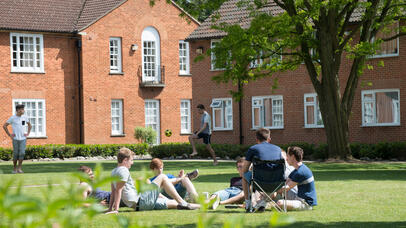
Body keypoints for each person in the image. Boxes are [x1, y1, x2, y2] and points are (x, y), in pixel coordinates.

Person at [106, 148, 200, 214]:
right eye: (131, 160)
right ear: (125, 160)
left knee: (173, 203)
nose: (132, 162)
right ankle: (181, 201)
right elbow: (118, 190)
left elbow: (113, 191)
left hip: (141, 205)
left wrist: (110, 209)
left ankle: (202, 206)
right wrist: (116, 210)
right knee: (162, 177)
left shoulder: (113, 171)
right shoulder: (123, 170)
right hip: (142, 202)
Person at [241, 128, 282, 212]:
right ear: (269, 139)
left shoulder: (253, 149)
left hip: (259, 181)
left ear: (257, 140)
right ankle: (261, 203)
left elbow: (244, 170)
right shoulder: (278, 149)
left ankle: (248, 204)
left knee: (244, 177)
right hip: (278, 182)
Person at [274, 146, 317, 211]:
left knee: (280, 203)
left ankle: (262, 203)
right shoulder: (296, 170)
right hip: (298, 198)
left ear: (293, 157)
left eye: (287, 156)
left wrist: (272, 190)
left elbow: (286, 188)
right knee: (275, 195)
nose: (286, 158)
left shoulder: (301, 172)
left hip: (305, 204)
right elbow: (285, 183)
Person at [3, 104, 31, 174]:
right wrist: (9, 134)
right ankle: (15, 168)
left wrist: (27, 133)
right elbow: (4, 126)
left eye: (23, 109)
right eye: (22, 109)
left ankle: (19, 168)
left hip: (23, 139)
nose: (23, 110)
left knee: (22, 153)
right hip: (15, 139)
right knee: (16, 154)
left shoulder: (25, 117)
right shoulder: (12, 118)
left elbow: (29, 125)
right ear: (18, 110)